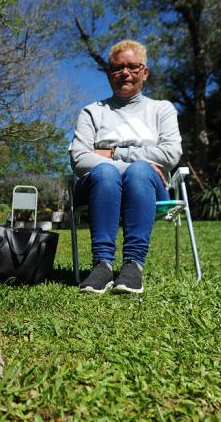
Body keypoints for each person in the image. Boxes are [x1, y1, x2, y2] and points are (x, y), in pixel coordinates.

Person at [69, 39, 183, 294]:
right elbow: (79, 157)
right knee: (113, 171)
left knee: (139, 171)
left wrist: (114, 153)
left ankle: (133, 265)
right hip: (99, 187)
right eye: (117, 68)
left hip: (148, 187)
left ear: (145, 72)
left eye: (132, 66)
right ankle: (103, 264)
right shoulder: (92, 112)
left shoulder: (161, 110)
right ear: (109, 73)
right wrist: (127, 166)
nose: (125, 73)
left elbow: (171, 153)